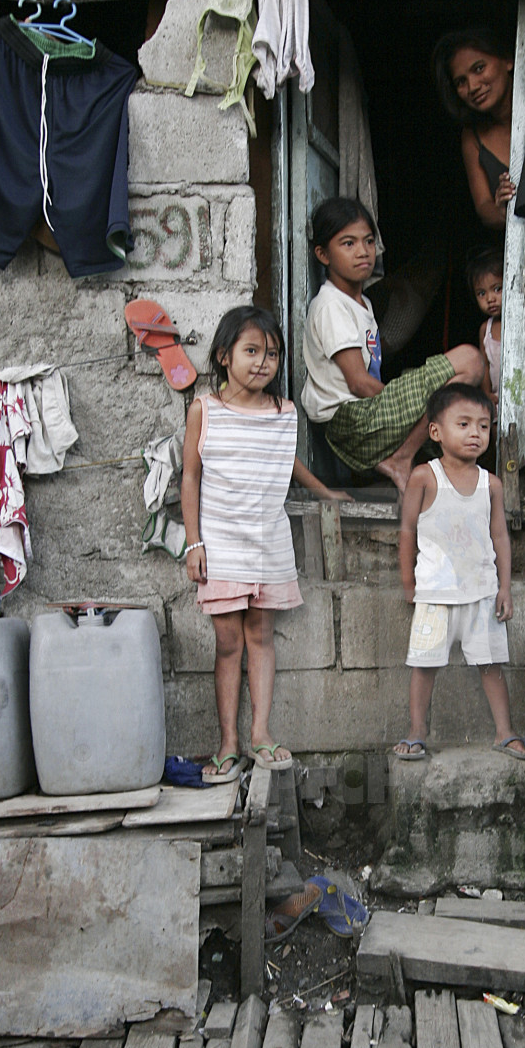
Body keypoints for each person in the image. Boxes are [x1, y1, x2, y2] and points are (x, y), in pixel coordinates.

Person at [180, 304, 349, 781]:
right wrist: (195, 545)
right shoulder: (204, 410)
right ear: (223, 356)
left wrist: (322, 491)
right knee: (229, 643)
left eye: (271, 354)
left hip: (268, 543)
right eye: (251, 350)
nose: (262, 362)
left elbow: (287, 463)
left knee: (261, 638)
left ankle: (260, 733)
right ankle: (228, 742)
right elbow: (190, 478)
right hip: (222, 545)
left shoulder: (283, 412)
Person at [301, 196, 484, 500]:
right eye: (348, 244)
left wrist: (417, 399)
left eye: (368, 241)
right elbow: (359, 383)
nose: (363, 252)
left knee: (454, 394)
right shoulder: (331, 305)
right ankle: (400, 458)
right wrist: (409, 399)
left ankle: (402, 459)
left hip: (362, 420)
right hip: (352, 422)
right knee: (469, 359)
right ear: (323, 254)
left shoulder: (362, 304)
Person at [394, 382, 525, 763]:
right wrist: (408, 582)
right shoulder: (425, 477)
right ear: (436, 432)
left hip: (481, 593)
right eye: (464, 424)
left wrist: (504, 587)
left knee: (491, 665)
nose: (475, 433)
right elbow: (407, 530)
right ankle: (417, 731)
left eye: (484, 426)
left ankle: (504, 732)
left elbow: (500, 537)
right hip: (435, 594)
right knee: (424, 666)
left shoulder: (491, 485)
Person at [432, 28, 517, 230]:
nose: (472, 87)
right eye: (461, 82)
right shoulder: (472, 135)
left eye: (479, 69)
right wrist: (502, 211)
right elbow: (483, 207)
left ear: (508, 60)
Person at [467, 244, 503, 405]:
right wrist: (486, 394)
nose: (490, 299)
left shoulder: (517, 325)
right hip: (495, 400)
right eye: (482, 293)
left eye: (497, 289)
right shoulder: (485, 330)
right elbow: (485, 366)